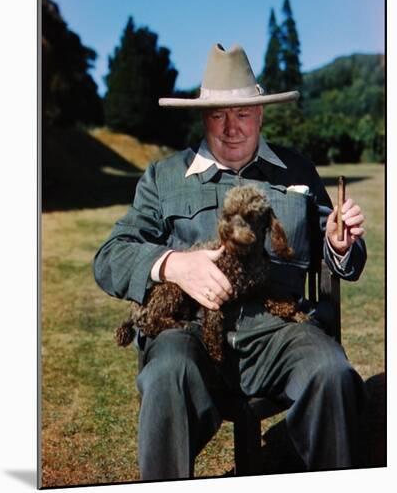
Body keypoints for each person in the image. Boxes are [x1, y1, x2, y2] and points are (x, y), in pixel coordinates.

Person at [94, 43, 367, 480]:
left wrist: (339, 242)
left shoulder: (296, 170)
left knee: (331, 371)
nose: (231, 128)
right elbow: (110, 256)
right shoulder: (163, 178)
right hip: (190, 334)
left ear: (260, 114)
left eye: (242, 114)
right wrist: (174, 266)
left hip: (281, 331)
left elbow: (340, 251)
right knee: (167, 374)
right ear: (203, 117)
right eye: (218, 114)